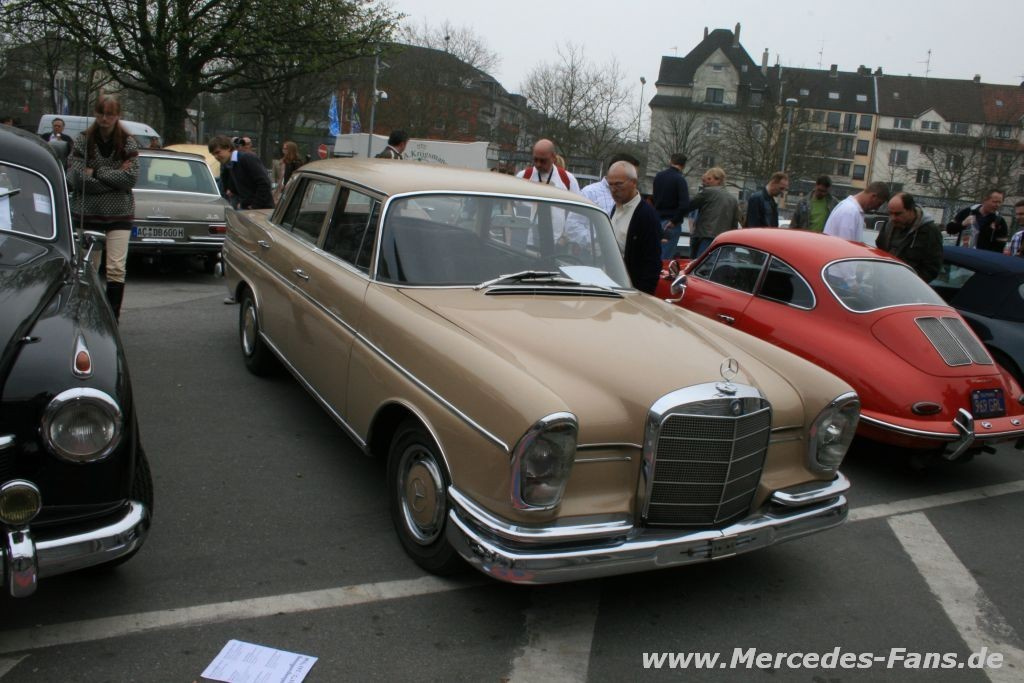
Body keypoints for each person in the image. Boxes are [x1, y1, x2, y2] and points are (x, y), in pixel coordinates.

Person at [66, 95, 140, 321]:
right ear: (95, 114)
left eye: (109, 114)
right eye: (101, 113)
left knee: (116, 267)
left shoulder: (127, 142)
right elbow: (77, 178)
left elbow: (131, 178)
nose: (104, 119)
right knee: (89, 266)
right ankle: (87, 315)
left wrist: (96, 172)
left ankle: (112, 318)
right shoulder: (83, 140)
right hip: (87, 213)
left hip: (120, 214)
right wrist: (114, 179)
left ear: (117, 116)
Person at [608, 161, 661, 294]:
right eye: (610, 184)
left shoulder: (646, 215)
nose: (613, 189)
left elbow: (652, 263)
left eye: (618, 184)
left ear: (634, 182)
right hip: (610, 286)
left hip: (631, 291)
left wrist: (642, 297)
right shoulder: (616, 208)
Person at [876, 192, 943, 282]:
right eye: (890, 213)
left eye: (898, 214)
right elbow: (879, 251)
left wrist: (910, 283)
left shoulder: (929, 231)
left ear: (911, 210)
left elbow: (932, 268)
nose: (893, 218)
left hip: (909, 286)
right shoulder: (888, 225)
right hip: (883, 282)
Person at [688, 167, 741, 259]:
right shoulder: (733, 199)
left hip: (706, 236)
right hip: (724, 240)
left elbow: (689, 205)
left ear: (718, 180)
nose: (706, 181)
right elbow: (735, 222)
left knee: (700, 264)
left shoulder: (708, 192)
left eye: (709, 179)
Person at [208, 135, 274, 210]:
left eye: (218, 152)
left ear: (228, 148)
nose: (216, 157)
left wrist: (254, 206)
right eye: (213, 154)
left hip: (261, 210)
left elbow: (264, 183)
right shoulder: (230, 164)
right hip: (249, 208)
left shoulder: (247, 158)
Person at [823, 182, 890, 242]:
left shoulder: (851, 208)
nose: (876, 208)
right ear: (873, 197)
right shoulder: (850, 211)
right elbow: (846, 246)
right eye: (879, 204)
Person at [652, 154, 690, 259]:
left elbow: (654, 197)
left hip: (657, 219)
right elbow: (684, 205)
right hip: (671, 222)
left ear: (670, 161)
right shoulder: (680, 180)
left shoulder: (659, 176)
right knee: (665, 257)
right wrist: (675, 221)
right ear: (684, 165)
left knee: (654, 254)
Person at [581, 152, 640, 216]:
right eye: (632, 174)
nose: (635, 179)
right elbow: (577, 220)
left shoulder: (634, 198)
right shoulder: (589, 193)